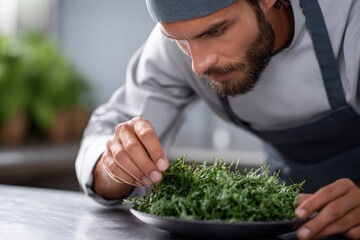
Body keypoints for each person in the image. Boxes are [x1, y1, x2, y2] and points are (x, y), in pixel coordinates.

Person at [75, 0, 360, 239]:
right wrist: (114, 165)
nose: (198, 65)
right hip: (287, 221)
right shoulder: (177, 41)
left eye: (217, 30)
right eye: (181, 41)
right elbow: (108, 130)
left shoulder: (350, 17)